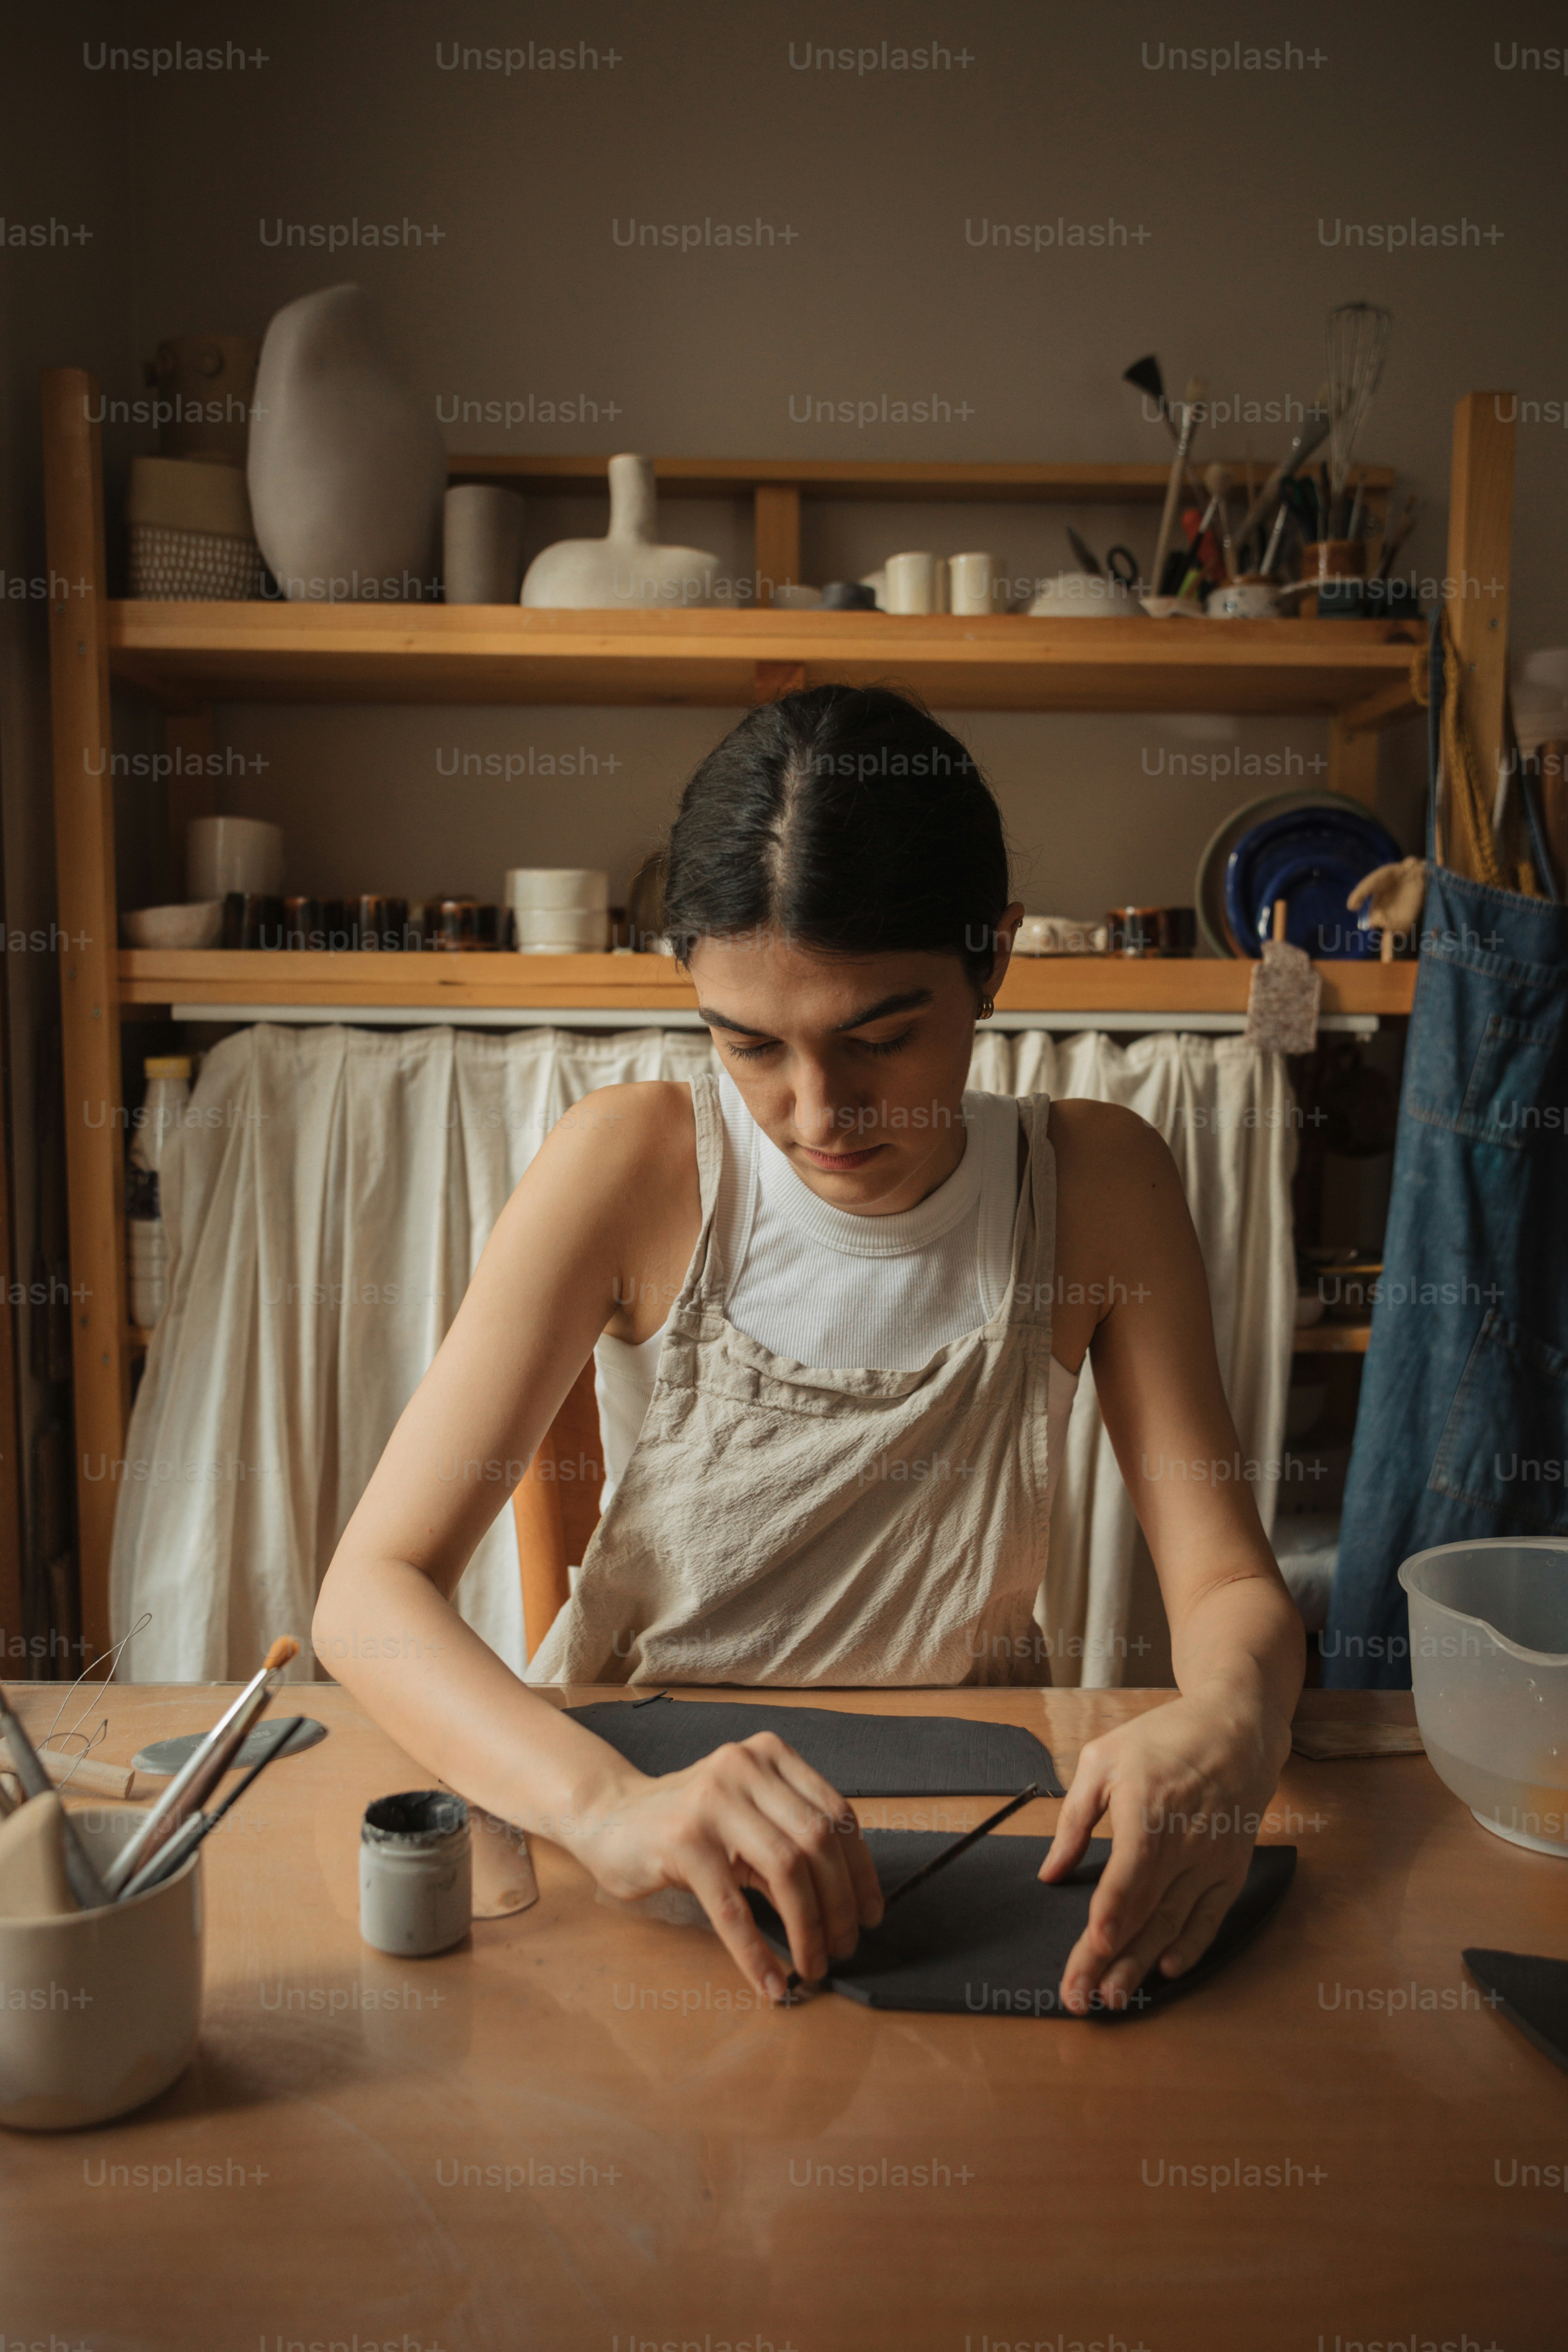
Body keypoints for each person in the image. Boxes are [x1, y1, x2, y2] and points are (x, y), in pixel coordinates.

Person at [314, 685, 1303, 2013]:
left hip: (979, 1830)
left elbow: (1230, 1584)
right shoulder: (632, 1166)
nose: (817, 1113)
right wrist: (607, 1808)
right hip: (656, 1835)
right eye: (749, 1046)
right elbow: (368, 1597)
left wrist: (1234, 1722)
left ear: (993, 960)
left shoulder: (1097, 1187)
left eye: (880, 1039)